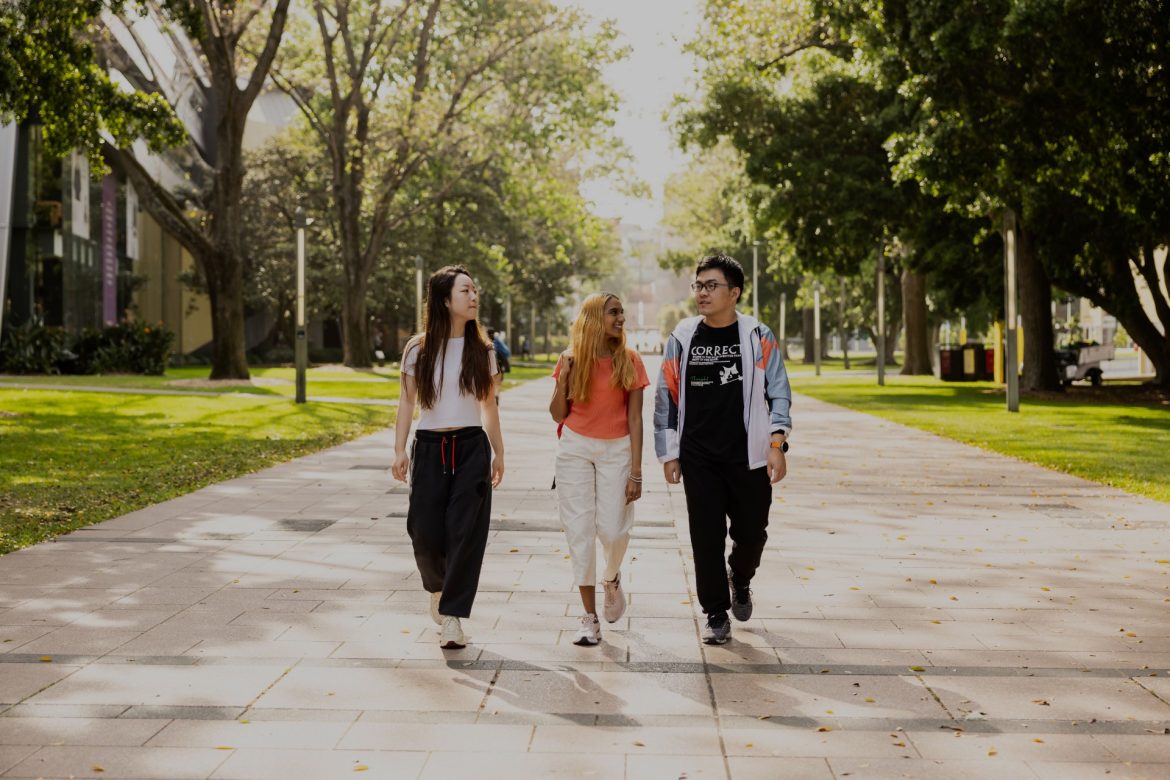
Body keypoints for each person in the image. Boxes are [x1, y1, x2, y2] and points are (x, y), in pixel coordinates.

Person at [653, 254, 791, 645]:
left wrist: (777, 444)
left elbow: (778, 392)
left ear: (735, 292)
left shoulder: (757, 335)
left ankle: (740, 578)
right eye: (698, 285)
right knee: (705, 536)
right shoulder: (682, 337)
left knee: (752, 533)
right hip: (699, 457)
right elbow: (667, 396)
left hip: (747, 454)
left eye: (711, 286)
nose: (702, 293)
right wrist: (669, 452)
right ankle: (715, 612)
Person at [393, 266, 505, 649]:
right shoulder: (417, 348)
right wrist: (398, 450)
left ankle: (453, 617)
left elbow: (489, 406)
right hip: (428, 447)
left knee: (464, 533)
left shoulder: (483, 350)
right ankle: (438, 589)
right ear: (444, 299)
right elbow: (407, 402)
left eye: (475, 290)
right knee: (423, 532)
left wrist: (499, 453)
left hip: (472, 448)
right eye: (465, 291)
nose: (474, 297)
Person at [550, 293, 649, 646]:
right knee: (579, 530)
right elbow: (557, 414)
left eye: (622, 311)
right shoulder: (572, 358)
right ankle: (589, 617)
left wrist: (636, 470)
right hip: (575, 447)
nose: (621, 317)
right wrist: (564, 376)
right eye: (613, 312)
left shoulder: (630, 360)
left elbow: (636, 419)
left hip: (617, 449)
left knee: (613, 529)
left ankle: (611, 578)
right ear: (594, 317)